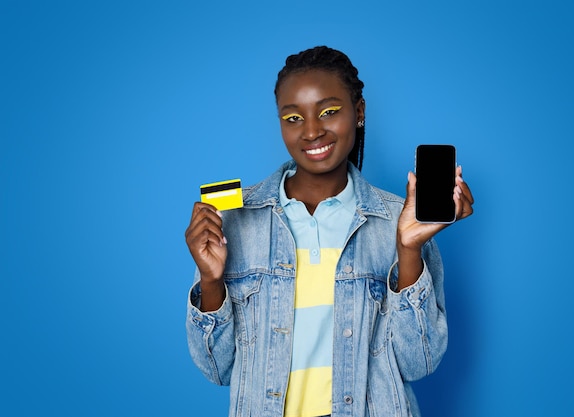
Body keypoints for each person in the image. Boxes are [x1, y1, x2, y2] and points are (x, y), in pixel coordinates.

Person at [185, 45, 474, 417]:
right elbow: (215, 368)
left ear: (360, 112)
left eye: (329, 112)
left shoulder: (399, 220)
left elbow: (419, 363)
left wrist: (408, 250)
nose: (311, 131)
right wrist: (211, 282)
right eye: (292, 118)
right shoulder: (235, 220)